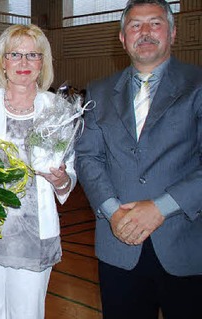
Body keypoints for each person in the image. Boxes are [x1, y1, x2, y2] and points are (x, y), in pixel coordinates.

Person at [74, 1, 202, 318]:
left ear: (172, 32)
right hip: (118, 246)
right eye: (135, 25)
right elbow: (88, 157)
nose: (144, 32)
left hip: (186, 245)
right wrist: (112, 211)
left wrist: (160, 207)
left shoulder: (197, 85)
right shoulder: (99, 91)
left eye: (155, 23)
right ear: (122, 37)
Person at [0, 24, 75, 319]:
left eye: (33, 55)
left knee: (28, 313)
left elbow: (69, 173)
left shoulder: (58, 107)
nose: (24, 63)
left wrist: (62, 179)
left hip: (34, 234)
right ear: (3, 62)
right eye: (16, 54)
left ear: (43, 63)